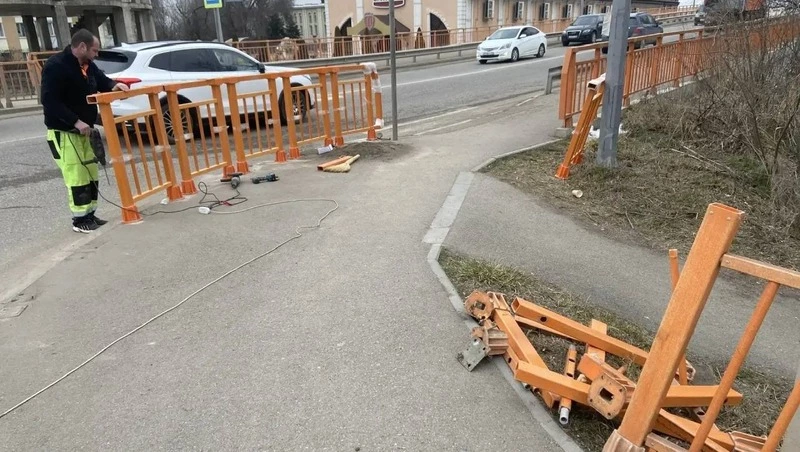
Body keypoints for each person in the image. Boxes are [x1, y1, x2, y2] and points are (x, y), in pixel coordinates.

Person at [40, 29, 129, 233]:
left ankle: (90, 214)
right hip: (65, 131)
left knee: (90, 173)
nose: (96, 54)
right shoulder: (56, 66)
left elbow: (102, 80)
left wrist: (115, 86)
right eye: (94, 50)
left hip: (85, 131)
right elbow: (49, 100)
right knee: (77, 176)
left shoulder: (87, 65)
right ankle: (79, 220)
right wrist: (75, 121)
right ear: (82, 47)